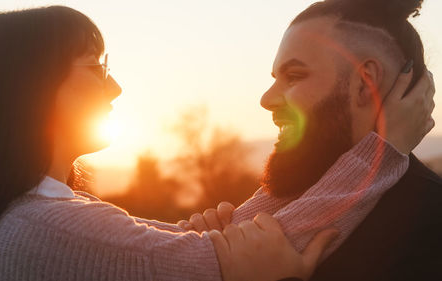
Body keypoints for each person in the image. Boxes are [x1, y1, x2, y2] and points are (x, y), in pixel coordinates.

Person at [0, 4, 434, 281]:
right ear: (31, 88)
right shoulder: (49, 228)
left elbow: (202, 249)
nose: (115, 88)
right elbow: (276, 245)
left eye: (294, 75)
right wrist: (384, 149)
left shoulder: (33, 215)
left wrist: (231, 231)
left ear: (366, 82)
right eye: (97, 70)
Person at [180, 0, 442, 280]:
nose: (266, 99)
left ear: (364, 84)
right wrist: (210, 252)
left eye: (294, 76)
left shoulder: (430, 225)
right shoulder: (279, 208)